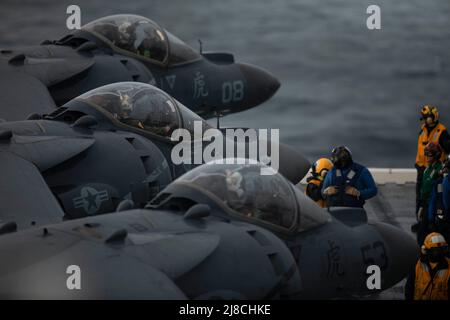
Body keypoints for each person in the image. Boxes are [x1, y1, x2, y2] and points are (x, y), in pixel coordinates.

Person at [415, 106, 450, 214]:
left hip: (435, 169)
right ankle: (419, 218)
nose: (425, 120)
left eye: (427, 117)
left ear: (432, 117)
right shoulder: (423, 130)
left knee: (434, 195)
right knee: (421, 194)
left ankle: (433, 219)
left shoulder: (441, 132)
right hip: (422, 168)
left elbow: (448, 149)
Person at [405, 232, 450, 300]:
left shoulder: (449, 269)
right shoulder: (418, 265)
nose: (439, 253)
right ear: (426, 251)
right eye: (436, 251)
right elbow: (409, 287)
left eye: (441, 250)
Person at [415, 142, 444, 245]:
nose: (426, 156)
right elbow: (424, 188)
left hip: (434, 205)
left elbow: (439, 191)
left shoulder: (439, 170)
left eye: (429, 154)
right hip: (425, 204)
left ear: (436, 155)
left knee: (424, 232)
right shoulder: (427, 169)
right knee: (422, 232)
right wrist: (421, 206)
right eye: (425, 153)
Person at [428, 155, 450, 242]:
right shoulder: (439, 183)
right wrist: (430, 219)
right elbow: (433, 200)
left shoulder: (441, 182)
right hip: (442, 219)